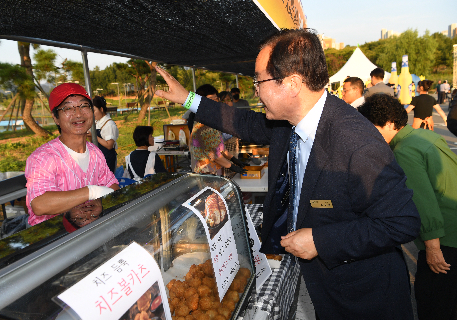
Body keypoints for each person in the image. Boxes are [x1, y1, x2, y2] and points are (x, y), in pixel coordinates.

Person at [155, 29, 420, 319]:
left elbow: (402, 221)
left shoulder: (355, 140)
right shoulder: (288, 123)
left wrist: (321, 240)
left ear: (292, 83)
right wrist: (187, 98)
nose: (255, 89)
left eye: (259, 80)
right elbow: (241, 121)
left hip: (364, 298)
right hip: (325, 286)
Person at [358, 93, 457, 320]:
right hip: (453, 226)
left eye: (373, 128)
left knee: (433, 303)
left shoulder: (404, 151)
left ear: (390, 123)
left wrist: (432, 248)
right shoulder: (424, 136)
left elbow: (423, 202)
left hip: (444, 239)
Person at [25, 83, 119, 226]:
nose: (78, 114)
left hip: (90, 232)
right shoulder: (44, 157)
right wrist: (91, 192)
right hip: (55, 239)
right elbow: (40, 204)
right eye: (68, 108)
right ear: (55, 118)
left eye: (84, 106)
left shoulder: (95, 152)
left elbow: (113, 187)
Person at [190, 84, 246, 175]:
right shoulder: (203, 124)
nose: (215, 102)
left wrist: (234, 159)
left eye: (216, 98)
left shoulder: (211, 120)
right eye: (211, 99)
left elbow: (220, 147)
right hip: (206, 172)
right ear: (201, 102)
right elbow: (215, 156)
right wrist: (232, 166)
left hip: (216, 169)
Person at [89, 96, 119, 173]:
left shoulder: (109, 124)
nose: (92, 114)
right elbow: (92, 141)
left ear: (101, 109)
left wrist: (94, 136)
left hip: (108, 159)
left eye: (94, 111)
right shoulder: (96, 122)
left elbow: (109, 145)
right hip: (98, 158)